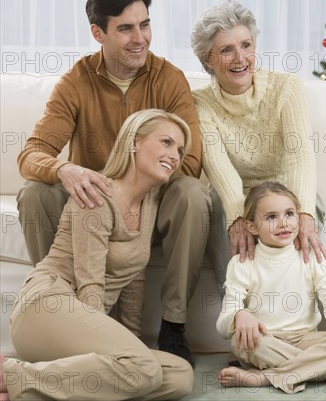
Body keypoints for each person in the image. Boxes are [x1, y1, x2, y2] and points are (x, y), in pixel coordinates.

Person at [16, 0, 209, 366]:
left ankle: (173, 325)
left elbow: (190, 161)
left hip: (150, 207)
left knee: (191, 193)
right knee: (35, 193)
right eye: (125, 28)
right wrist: (65, 168)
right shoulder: (76, 82)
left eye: (145, 25)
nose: (140, 38)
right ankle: (61, 304)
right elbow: (31, 155)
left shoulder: (168, 78)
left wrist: (133, 188)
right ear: (98, 33)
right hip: (91, 210)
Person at [1, 109, 194, 400]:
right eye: (166, 142)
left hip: (79, 322)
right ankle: (10, 376)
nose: (175, 155)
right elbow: (89, 286)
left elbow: (133, 279)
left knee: (181, 375)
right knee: (142, 368)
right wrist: (123, 356)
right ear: (134, 142)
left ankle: (29, 385)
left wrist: (131, 344)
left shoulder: (150, 201)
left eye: (180, 149)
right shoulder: (96, 194)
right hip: (47, 306)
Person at [190, 0, 326, 294]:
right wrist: (238, 216)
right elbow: (216, 163)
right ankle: (242, 317)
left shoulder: (286, 87)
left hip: (284, 190)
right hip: (235, 194)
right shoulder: (200, 102)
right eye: (226, 50)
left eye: (246, 45)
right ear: (207, 59)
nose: (241, 58)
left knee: (304, 209)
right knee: (219, 214)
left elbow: (299, 154)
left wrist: (303, 215)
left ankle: (296, 316)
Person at [215, 182, 326, 393]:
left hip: (305, 339)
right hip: (266, 341)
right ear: (251, 227)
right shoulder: (242, 263)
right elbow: (223, 325)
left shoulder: (312, 256)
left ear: (299, 216)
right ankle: (319, 369)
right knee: (240, 342)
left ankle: (265, 377)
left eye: (289, 214)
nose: (283, 223)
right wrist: (239, 314)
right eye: (271, 217)